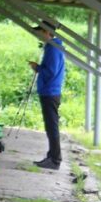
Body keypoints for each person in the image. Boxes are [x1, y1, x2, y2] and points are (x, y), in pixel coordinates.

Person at [28, 19, 66, 170]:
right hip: (50, 91)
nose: (39, 35)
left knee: (52, 126)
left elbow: (50, 71)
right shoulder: (52, 46)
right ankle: (52, 156)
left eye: (40, 32)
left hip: (50, 91)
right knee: (50, 126)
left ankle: (55, 159)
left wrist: (37, 67)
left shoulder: (53, 48)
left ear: (47, 32)